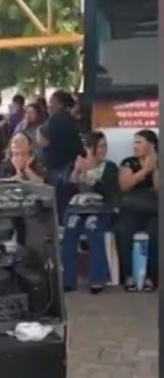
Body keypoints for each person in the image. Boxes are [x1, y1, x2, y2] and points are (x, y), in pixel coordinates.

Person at [61, 131, 119, 294]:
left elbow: (110, 193)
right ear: (89, 148)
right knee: (70, 231)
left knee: (93, 228)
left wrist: (92, 178)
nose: (103, 150)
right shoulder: (76, 164)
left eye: (105, 146)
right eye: (99, 146)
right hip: (77, 208)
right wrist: (77, 171)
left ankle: (97, 279)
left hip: (100, 209)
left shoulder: (109, 167)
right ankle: (68, 280)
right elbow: (65, 187)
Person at [115, 129, 158, 292]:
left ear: (151, 145)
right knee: (123, 231)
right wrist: (144, 171)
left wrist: (155, 167)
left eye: (139, 142)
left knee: (156, 233)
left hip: (153, 209)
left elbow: (158, 189)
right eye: (134, 142)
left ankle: (151, 277)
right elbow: (125, 186)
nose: (135, 146)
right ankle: (128, 275)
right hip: (132, 208)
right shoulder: (129, 162)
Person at [41, 90, 85, 220]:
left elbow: (45, 142)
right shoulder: (71, 121)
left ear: (60, 104)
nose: (49, 105)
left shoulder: (55, 120)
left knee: (57, 205)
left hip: (57, 168)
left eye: (52, 102)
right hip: (70, 167)